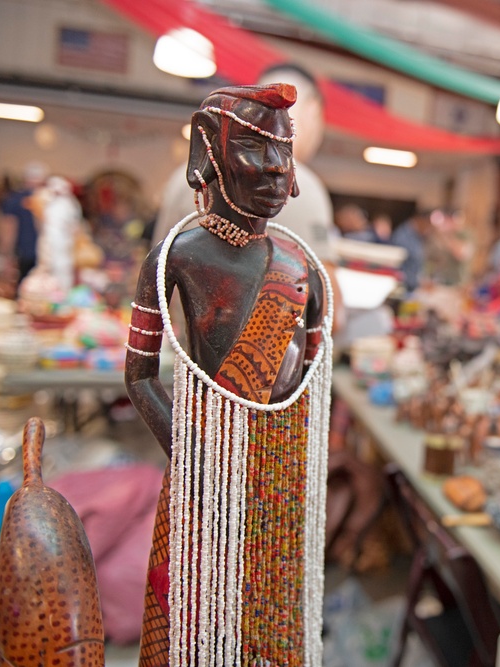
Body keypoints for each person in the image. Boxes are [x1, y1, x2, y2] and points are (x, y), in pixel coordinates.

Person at [125, 83, 333, 667]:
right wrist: (195, 461)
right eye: (252, 148)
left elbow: (314, 384)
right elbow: (140, 377)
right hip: (202, 473)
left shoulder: (303, 271)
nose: (274, 170)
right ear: (208, 154)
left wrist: (297, 459)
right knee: (194, 624)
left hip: (280, 480)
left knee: (268, 628)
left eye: (283, 152)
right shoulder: (177, 257)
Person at [151, 62, 345, 333]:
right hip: (268, 369)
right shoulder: (306, 187)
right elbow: (330, 315)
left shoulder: (180, 179)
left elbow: (157, 289)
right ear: (313, 110)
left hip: (185, 362)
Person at [0, 161, 47, 288]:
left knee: (23, 293)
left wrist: (7, 257)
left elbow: (9, 231)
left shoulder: (14, 200)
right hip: (47, 256)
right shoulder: (50, 200)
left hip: (23, 254)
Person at [391, 209, 434, 292]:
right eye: (428, 225)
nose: (429, 229)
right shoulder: (402, 237)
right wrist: (418, 282)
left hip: (413, 287)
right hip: (402, 289)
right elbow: (398, 268)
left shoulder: (417, 236)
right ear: (421, 221)